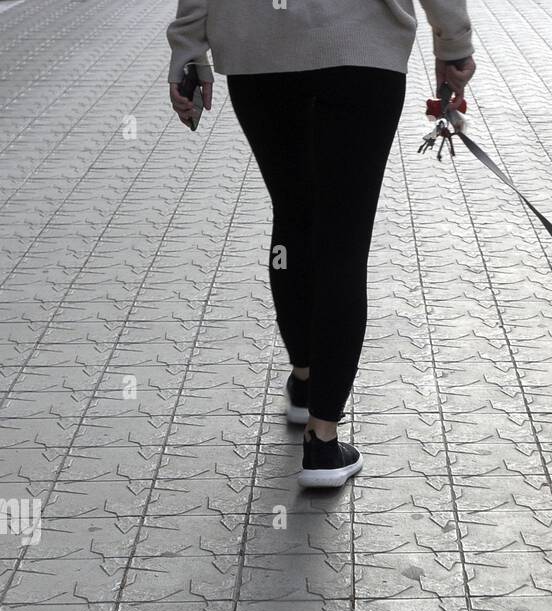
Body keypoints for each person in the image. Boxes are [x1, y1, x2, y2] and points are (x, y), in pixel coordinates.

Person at [167, 1, 476, 488]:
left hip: (259, 51)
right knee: (343, 240)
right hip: (362, 49)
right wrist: (453, 42)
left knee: (293, 216)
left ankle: (305, 378)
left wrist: (188, 47)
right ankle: (323, 439)